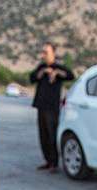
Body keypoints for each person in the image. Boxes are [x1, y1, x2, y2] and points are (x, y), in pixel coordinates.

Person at [29, 42, 74, 171]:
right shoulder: (41, 67)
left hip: (52, 107)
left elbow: (70, 75)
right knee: (42, 134)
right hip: (41, 105)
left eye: (46, 52)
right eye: (43, 52)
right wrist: (43, 71)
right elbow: (32, 77)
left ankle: (54, 162)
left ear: (53, 53)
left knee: (52, 134)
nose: (44, 55)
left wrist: (56, 72)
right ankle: (47, 161)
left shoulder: (59, 67)